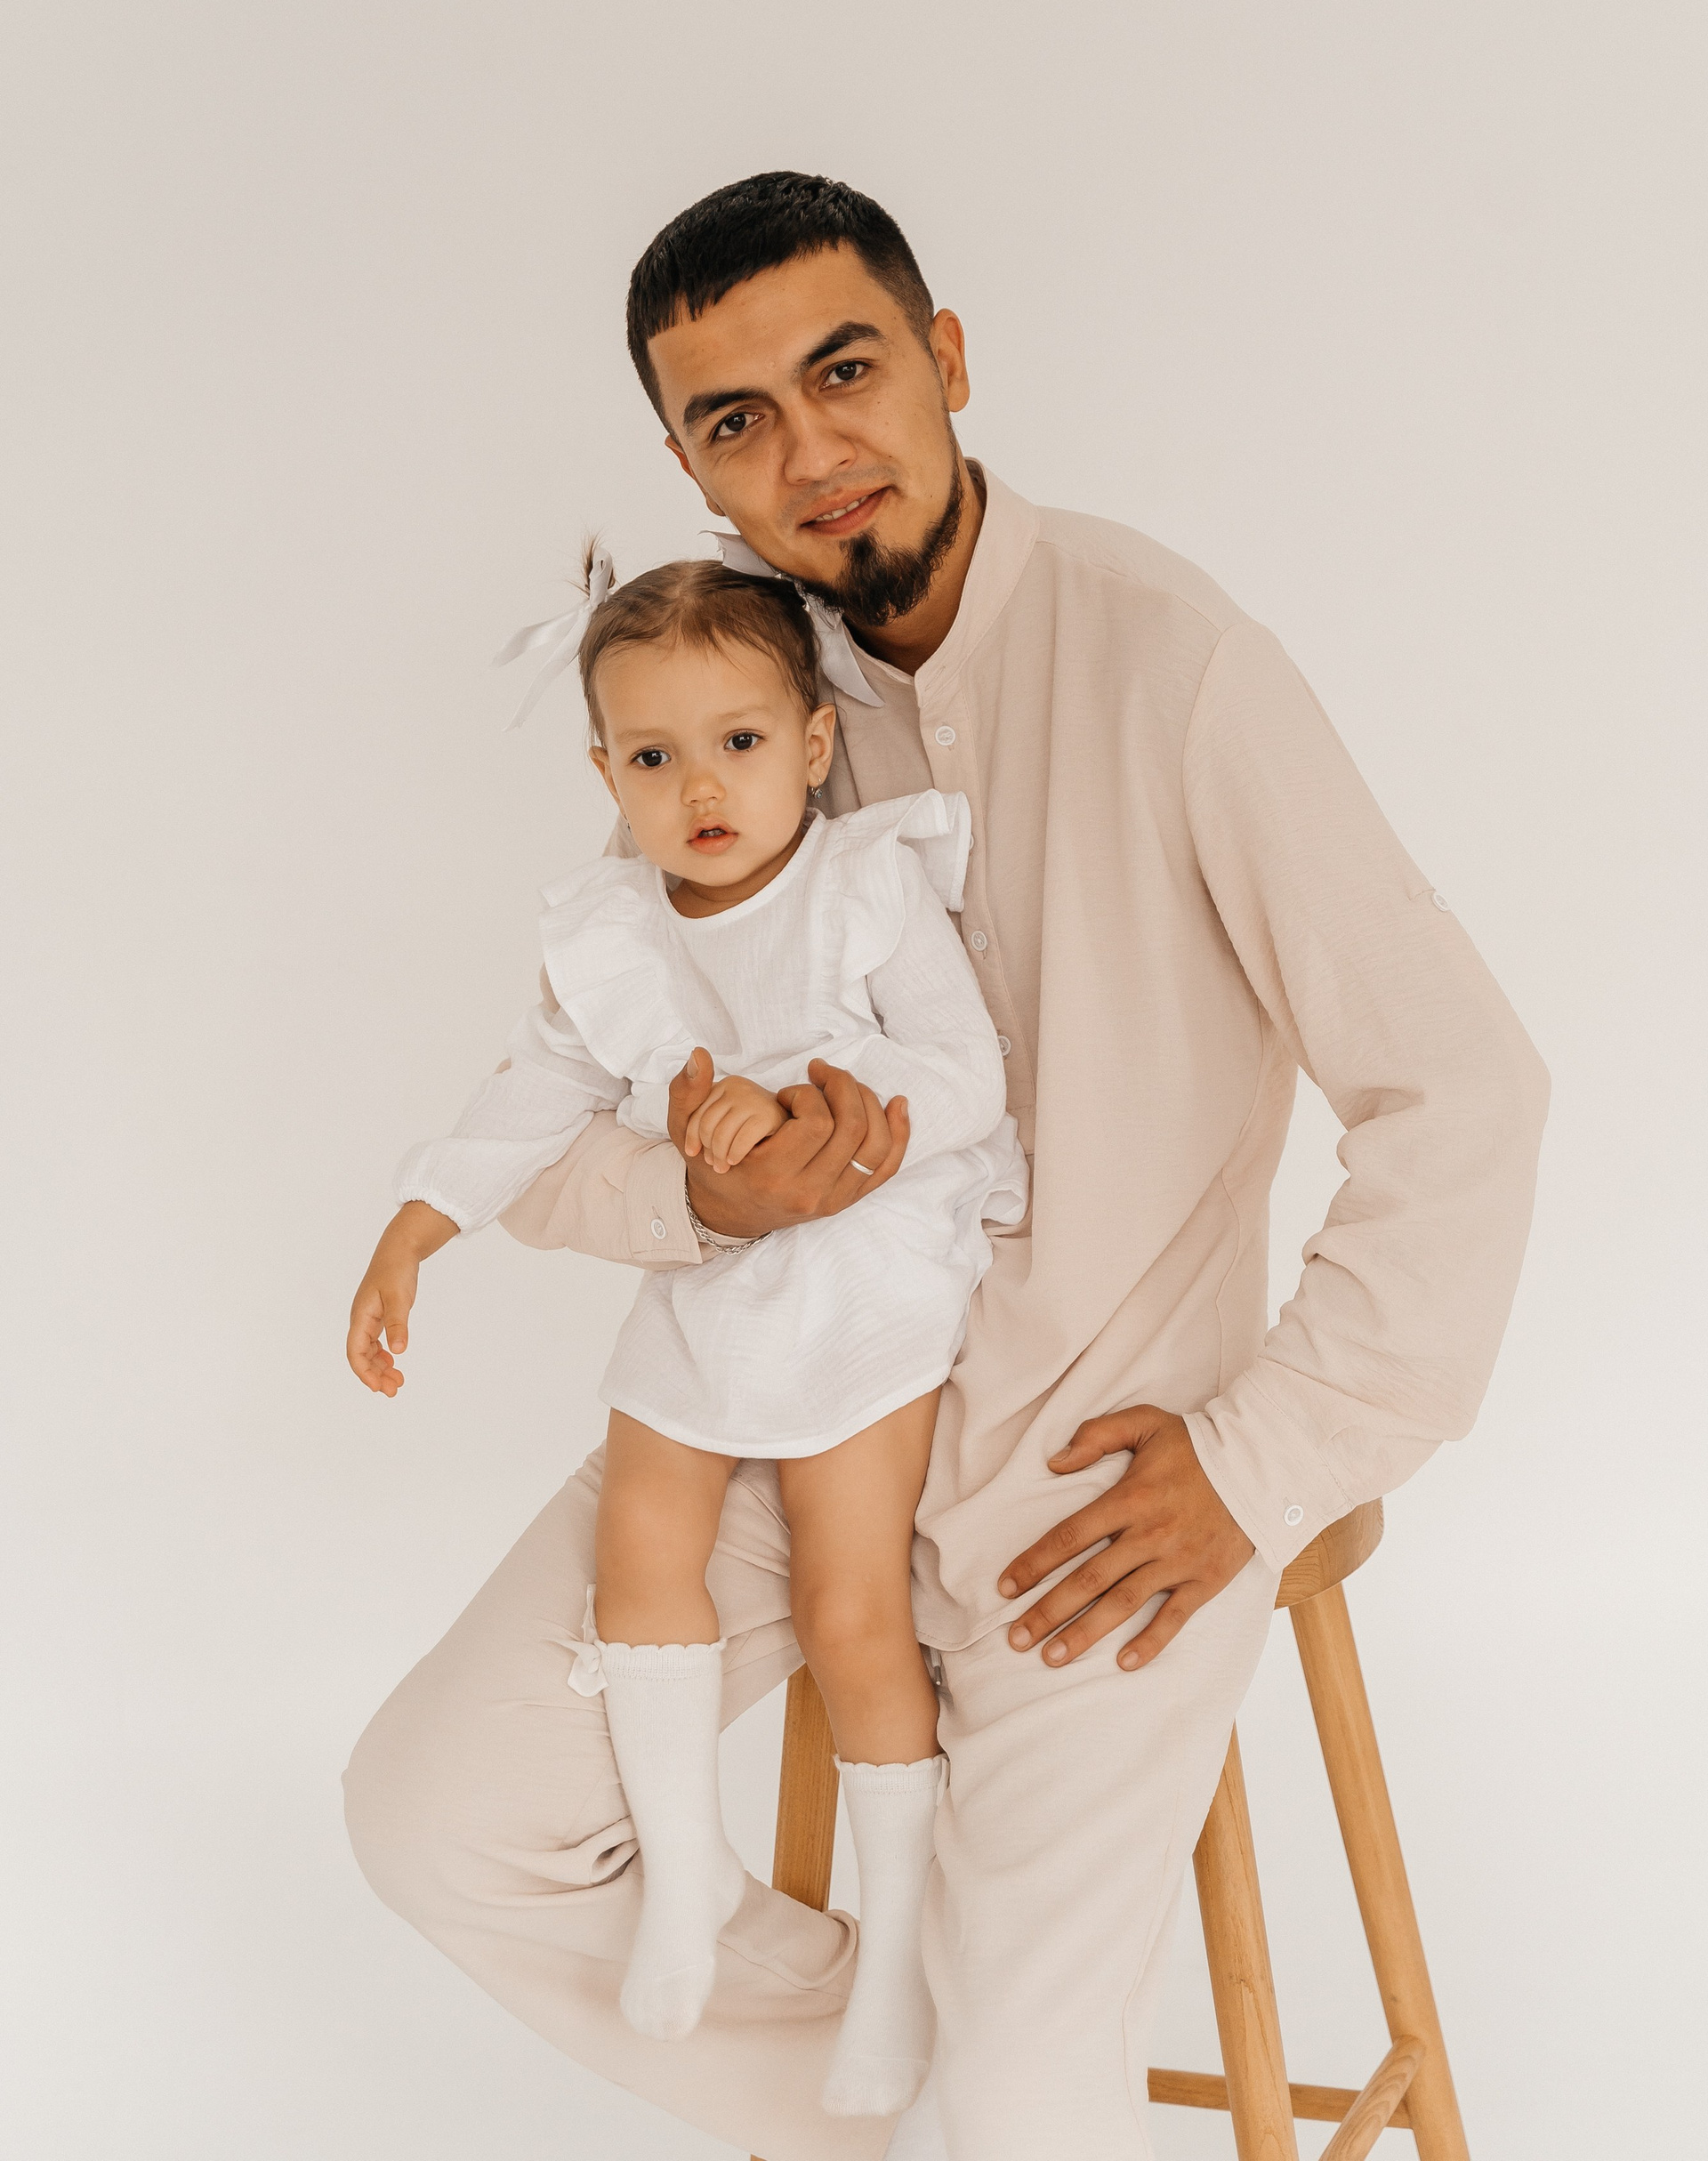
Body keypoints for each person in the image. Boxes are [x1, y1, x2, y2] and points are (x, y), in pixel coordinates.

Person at [344, 171, 1550, 2161]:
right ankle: (929, 2092)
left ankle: (980, 2099)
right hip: (772, 1418)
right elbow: (555, 1113)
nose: (810, 451)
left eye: (847, 373)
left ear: (947, 359)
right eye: (738, 420)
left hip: (1086, 1498)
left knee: (1014, 2111)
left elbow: (1465, 1092)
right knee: (436, 1820)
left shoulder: (1172, 662)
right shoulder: (724, 700)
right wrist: (703, 1201)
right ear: (688, 468)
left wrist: (1258, 1461)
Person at [346, 552, 1026, 2116]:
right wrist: (416, 1229)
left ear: (811, 741)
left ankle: (894, 1959)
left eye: (737, 742)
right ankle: (688, 1872)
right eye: (652, 758)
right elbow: (534, 1098)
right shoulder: (614, 929)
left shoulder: (862, 885)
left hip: (867, 1278)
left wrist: (815, 1113)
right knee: (639, 1550)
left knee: (853, 1608)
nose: (699, 788)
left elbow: (966, 1073)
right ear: (605, 774)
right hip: (718, 1281)